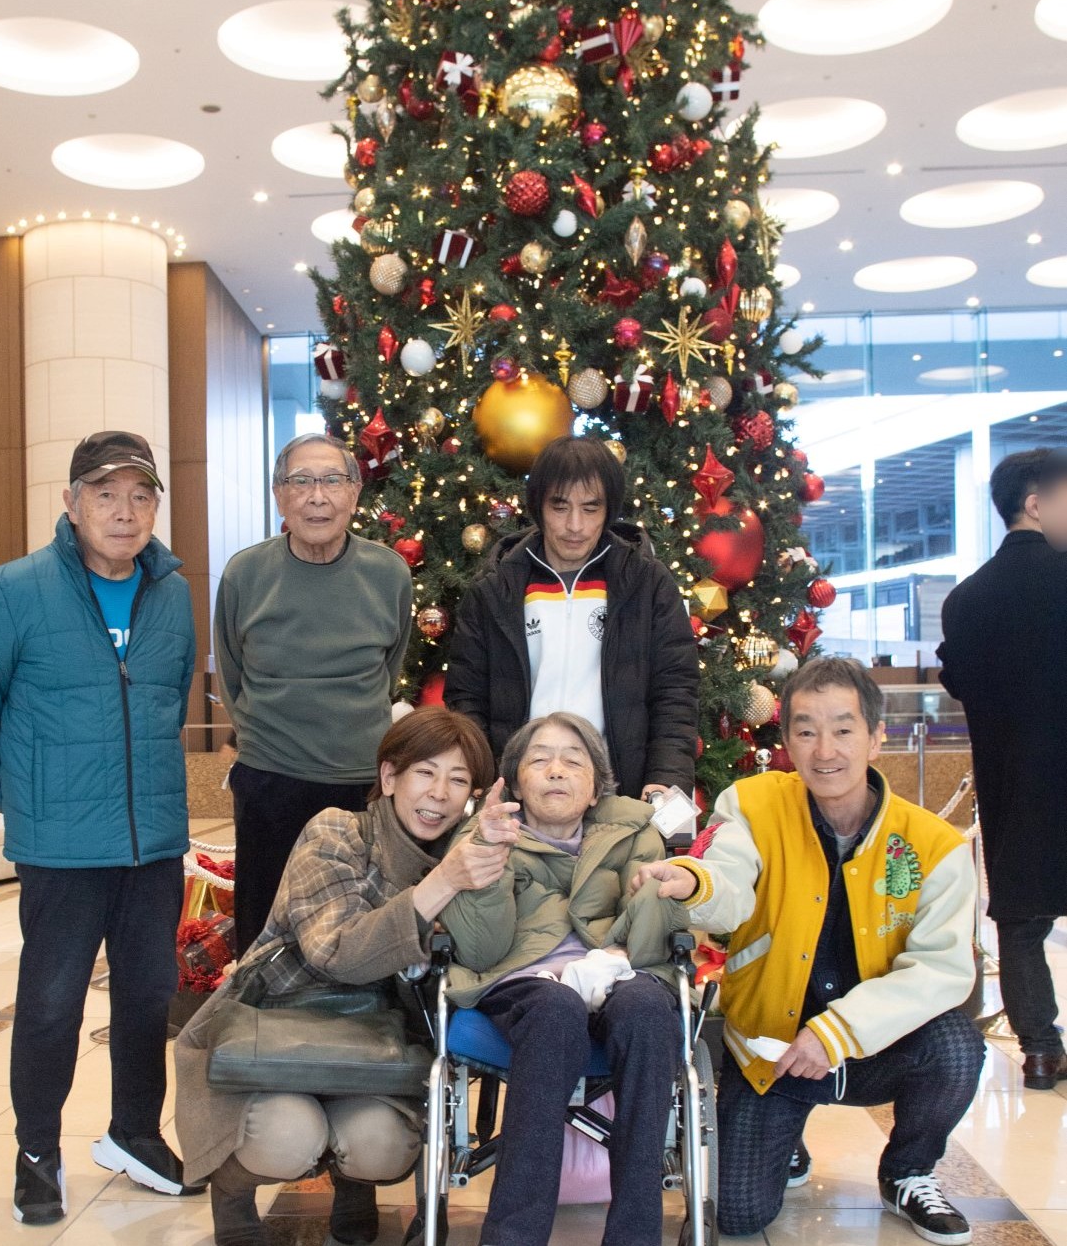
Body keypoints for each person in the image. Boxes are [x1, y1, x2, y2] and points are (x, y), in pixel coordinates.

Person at [636, 657, 983, 1245]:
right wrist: (695, 885)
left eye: (844, 729)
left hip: (878, 1046)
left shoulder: (933, 845)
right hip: (775, 1049)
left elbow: (943, 970)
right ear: (787, 740)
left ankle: (907, 1172)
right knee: (739, 1216)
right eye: (805, 729)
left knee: (956, 1047)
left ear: (876, 736)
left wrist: (839, 1033)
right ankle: (784, 1137)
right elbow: (729, 882)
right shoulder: (752, 805)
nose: (825, 749)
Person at [0, 431, 198, 1227]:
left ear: (156, 504)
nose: (124, 512)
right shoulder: (11, 588)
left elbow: (166, 696)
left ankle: (134, 1133)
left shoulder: (173, 591)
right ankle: (35, 1152)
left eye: (139, 495)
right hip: (60, 848)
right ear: (71, 502)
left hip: (152, 840)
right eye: (104, 493)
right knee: (52, 1002)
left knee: (148, 995)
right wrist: (19, 801)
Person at [175, 707, 507, 1246]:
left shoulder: (462, 856)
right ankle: (232, 1187)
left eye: (459, 779)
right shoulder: (337, 831)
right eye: (425, 772)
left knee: (381, 1145)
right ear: (389, 776)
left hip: (378, 1046)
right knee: (286, 1139)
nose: (440, 793)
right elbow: (338, 952)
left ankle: (354, 1182)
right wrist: (440, 885)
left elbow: (486, 954)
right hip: (280, 1024)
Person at [441, 712, 687, 1246]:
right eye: (539, 759)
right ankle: (512, 1237)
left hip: (617, 976)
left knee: (648, 1009)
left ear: (596, 784)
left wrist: (649, 898)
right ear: (515, 781)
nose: (556, 770)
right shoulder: (482, 833)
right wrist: (489, 853)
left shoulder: (634, 831)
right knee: (556, 1011)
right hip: (523, 984)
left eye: (573, 760)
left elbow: (649, 950)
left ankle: (636, 1236)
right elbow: (483, 947)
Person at [214, 431, 413, 955]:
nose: (316, 496)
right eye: (300, 481)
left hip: (361, 784)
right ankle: (257, 1032)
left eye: (332, 480)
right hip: (270, 783)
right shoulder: (244, 574)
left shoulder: (389, 573)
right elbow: (233, 675)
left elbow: (388, 668)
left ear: (354, 493)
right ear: (279, 496)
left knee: (358, 932)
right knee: (262, 934)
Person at [444, 434, 699, 801]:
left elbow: (675, 693)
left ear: (609, 510)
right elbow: (467, 700)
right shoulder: (494, 590)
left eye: (591, 508)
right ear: (539, 508)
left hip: (619, 792)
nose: (575, 525)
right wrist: (487, 782)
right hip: (519, 794)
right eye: (560, 507)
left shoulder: (647, 583)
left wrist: (666, 780)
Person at [938, 447, 1067, 1089]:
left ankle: (1041, 1051)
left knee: (1019, 920)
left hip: (1012, 784)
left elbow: (959, 680)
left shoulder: (965, 601)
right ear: (1036, 504)